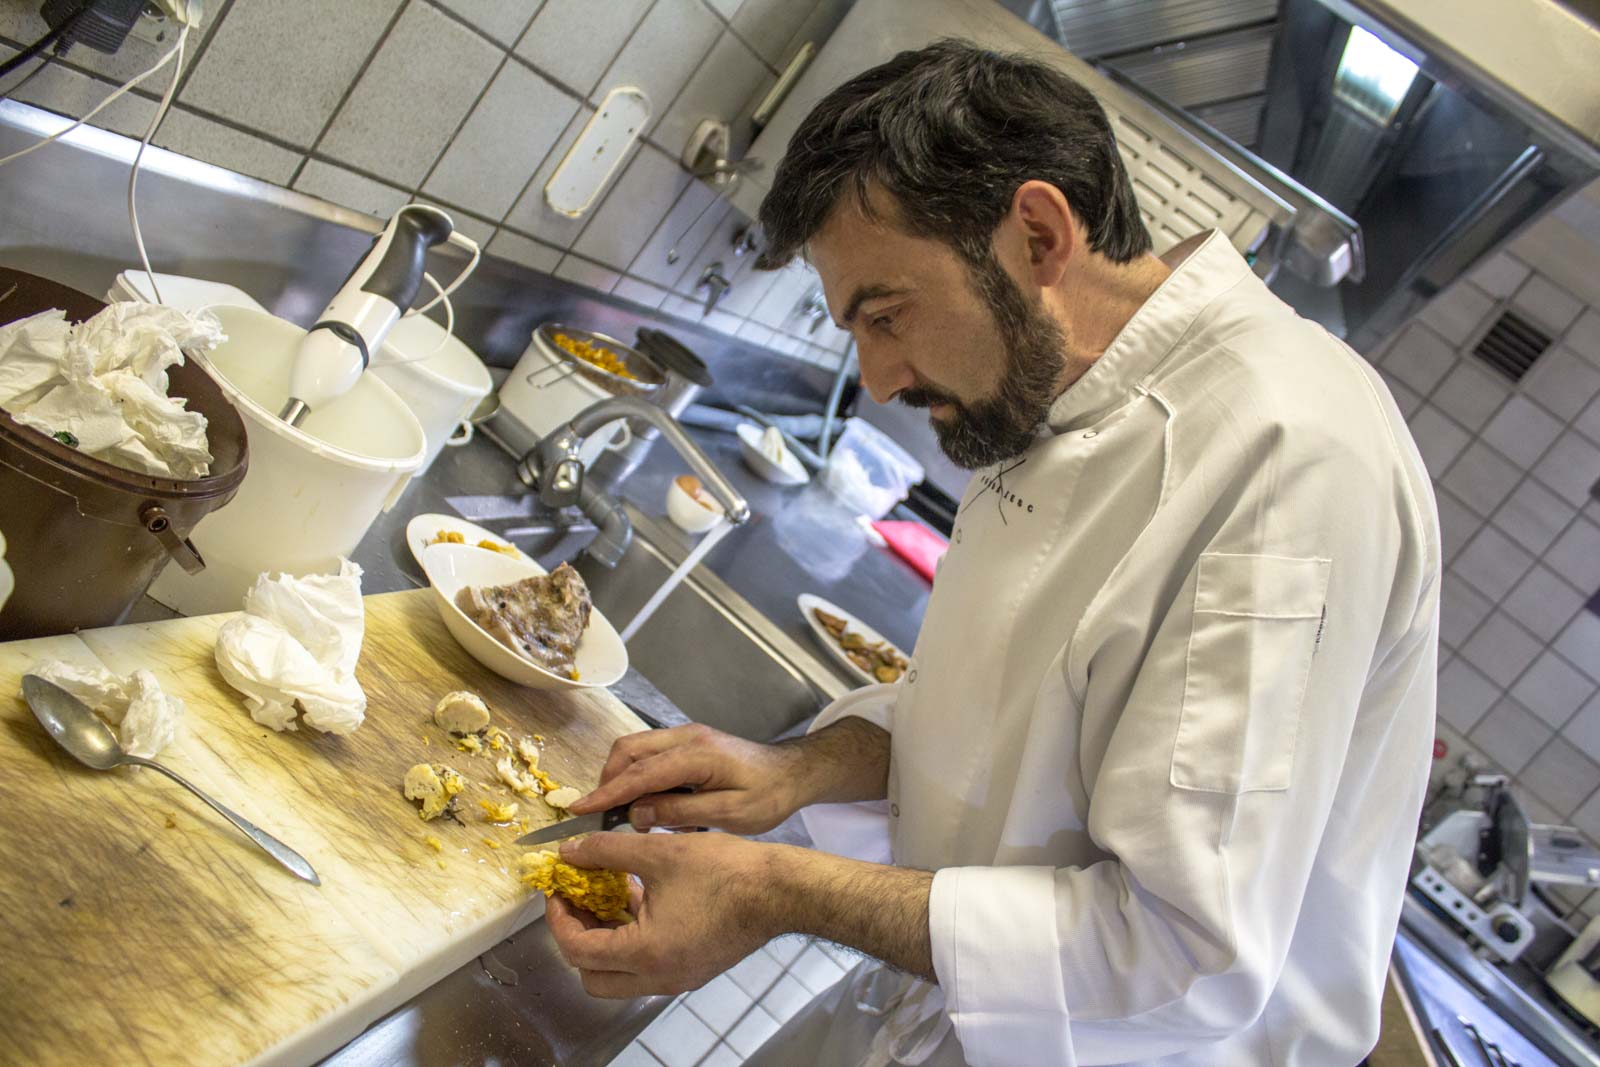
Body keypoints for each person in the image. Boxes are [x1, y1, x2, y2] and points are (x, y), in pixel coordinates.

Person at [545, 39, 1439, 1066]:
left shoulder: (1283, 458)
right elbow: (1004, 715)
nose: (877, 377)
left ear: (1037, 234)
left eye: (885, 315)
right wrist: (798, 768)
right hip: (928, 1013)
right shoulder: (1068, 395)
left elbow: (1183, 952)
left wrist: (774, 887)